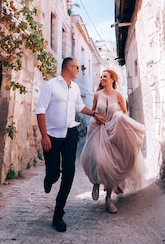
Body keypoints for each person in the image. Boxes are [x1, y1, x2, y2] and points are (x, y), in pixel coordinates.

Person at [36, 57, 99, 232]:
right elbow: (40, 111)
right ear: (68, 67)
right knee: (54, 173)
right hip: (52, 136)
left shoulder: (76, 88)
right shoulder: (51, 85)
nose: (79, 70)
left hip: (70, 133)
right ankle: (49, 179)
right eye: (77, 67)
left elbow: (80, 106)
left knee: (69, 172)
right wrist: (44, 136)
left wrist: (94, 114)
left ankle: (58, 215)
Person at [80, 69, 147, 214]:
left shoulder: (118, 95)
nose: (102, 78)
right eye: (101, 76)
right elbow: (93, 111)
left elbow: (124, 112)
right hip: (98, 130)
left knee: (111, 163)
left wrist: (117, 122)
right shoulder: (97, 94)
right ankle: (96, 182)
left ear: (112, 79)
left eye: (105, 76)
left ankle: (108, 198)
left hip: (112, 130)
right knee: (98, 160)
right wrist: (96, 117)